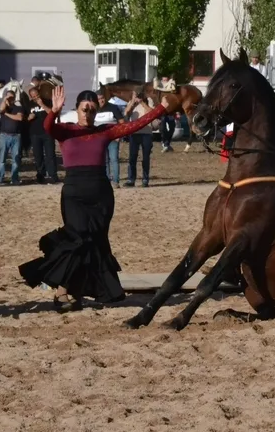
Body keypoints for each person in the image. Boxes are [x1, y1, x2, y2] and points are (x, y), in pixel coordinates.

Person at [19, 86, 177, 309]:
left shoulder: (105, 131)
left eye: (92, 109)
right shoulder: (65, 130)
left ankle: (74, 292)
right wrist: (53, 111)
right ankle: (61, 291)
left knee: (94, 242)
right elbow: (47, 127)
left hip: (101, 196)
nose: (88, 113)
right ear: (77, 109)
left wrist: (161, 108)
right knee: (76, 240)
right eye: (84, 109)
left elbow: (135, 125)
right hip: (74, 194)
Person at [124, 92, 157, 187]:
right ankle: (131, 179)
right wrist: (132, 102)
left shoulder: (149, 101)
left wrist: (142, 103)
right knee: (132, 157)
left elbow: (152, 113)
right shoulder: (132, 102)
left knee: (145, 157)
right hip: (134, 133)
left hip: (146, 132)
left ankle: (145, 179)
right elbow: (126, 113)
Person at [28, 87, 58, 184]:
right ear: (31, 97)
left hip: (48, 133)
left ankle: (53, 176)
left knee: (50, 155)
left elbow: (52, 114)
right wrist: (29, 118)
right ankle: (40, 176)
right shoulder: (29, 104)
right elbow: (25, 118)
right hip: (35, 133)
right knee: (38, 156)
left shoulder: (47, 101)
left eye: (37, 95)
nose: (35, 98)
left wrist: (42, 105)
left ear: (39, 93)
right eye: (33, 96)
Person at [0, 90, 24, 185]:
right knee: (2, 159)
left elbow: (19, 118)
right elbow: (0, 110)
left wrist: (6, 114)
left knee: (16, 159)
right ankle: (0, 178)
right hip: (4, 135)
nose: (10, 99)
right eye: (8, 97)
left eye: (12, 97)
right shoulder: (3, 107)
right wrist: (5, 100)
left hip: (16, 136)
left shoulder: (19, 108)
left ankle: (14, 178)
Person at [96, 92, 124, 187]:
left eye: (102, 98)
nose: (101, 100)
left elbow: (121, 121)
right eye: (99, 99)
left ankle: (115, 181)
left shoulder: (113, 107)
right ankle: (107, 181)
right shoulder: (95, 109)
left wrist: (119, 135)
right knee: (104, 161)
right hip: (100, 139)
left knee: (114, 159)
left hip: (113, 138)